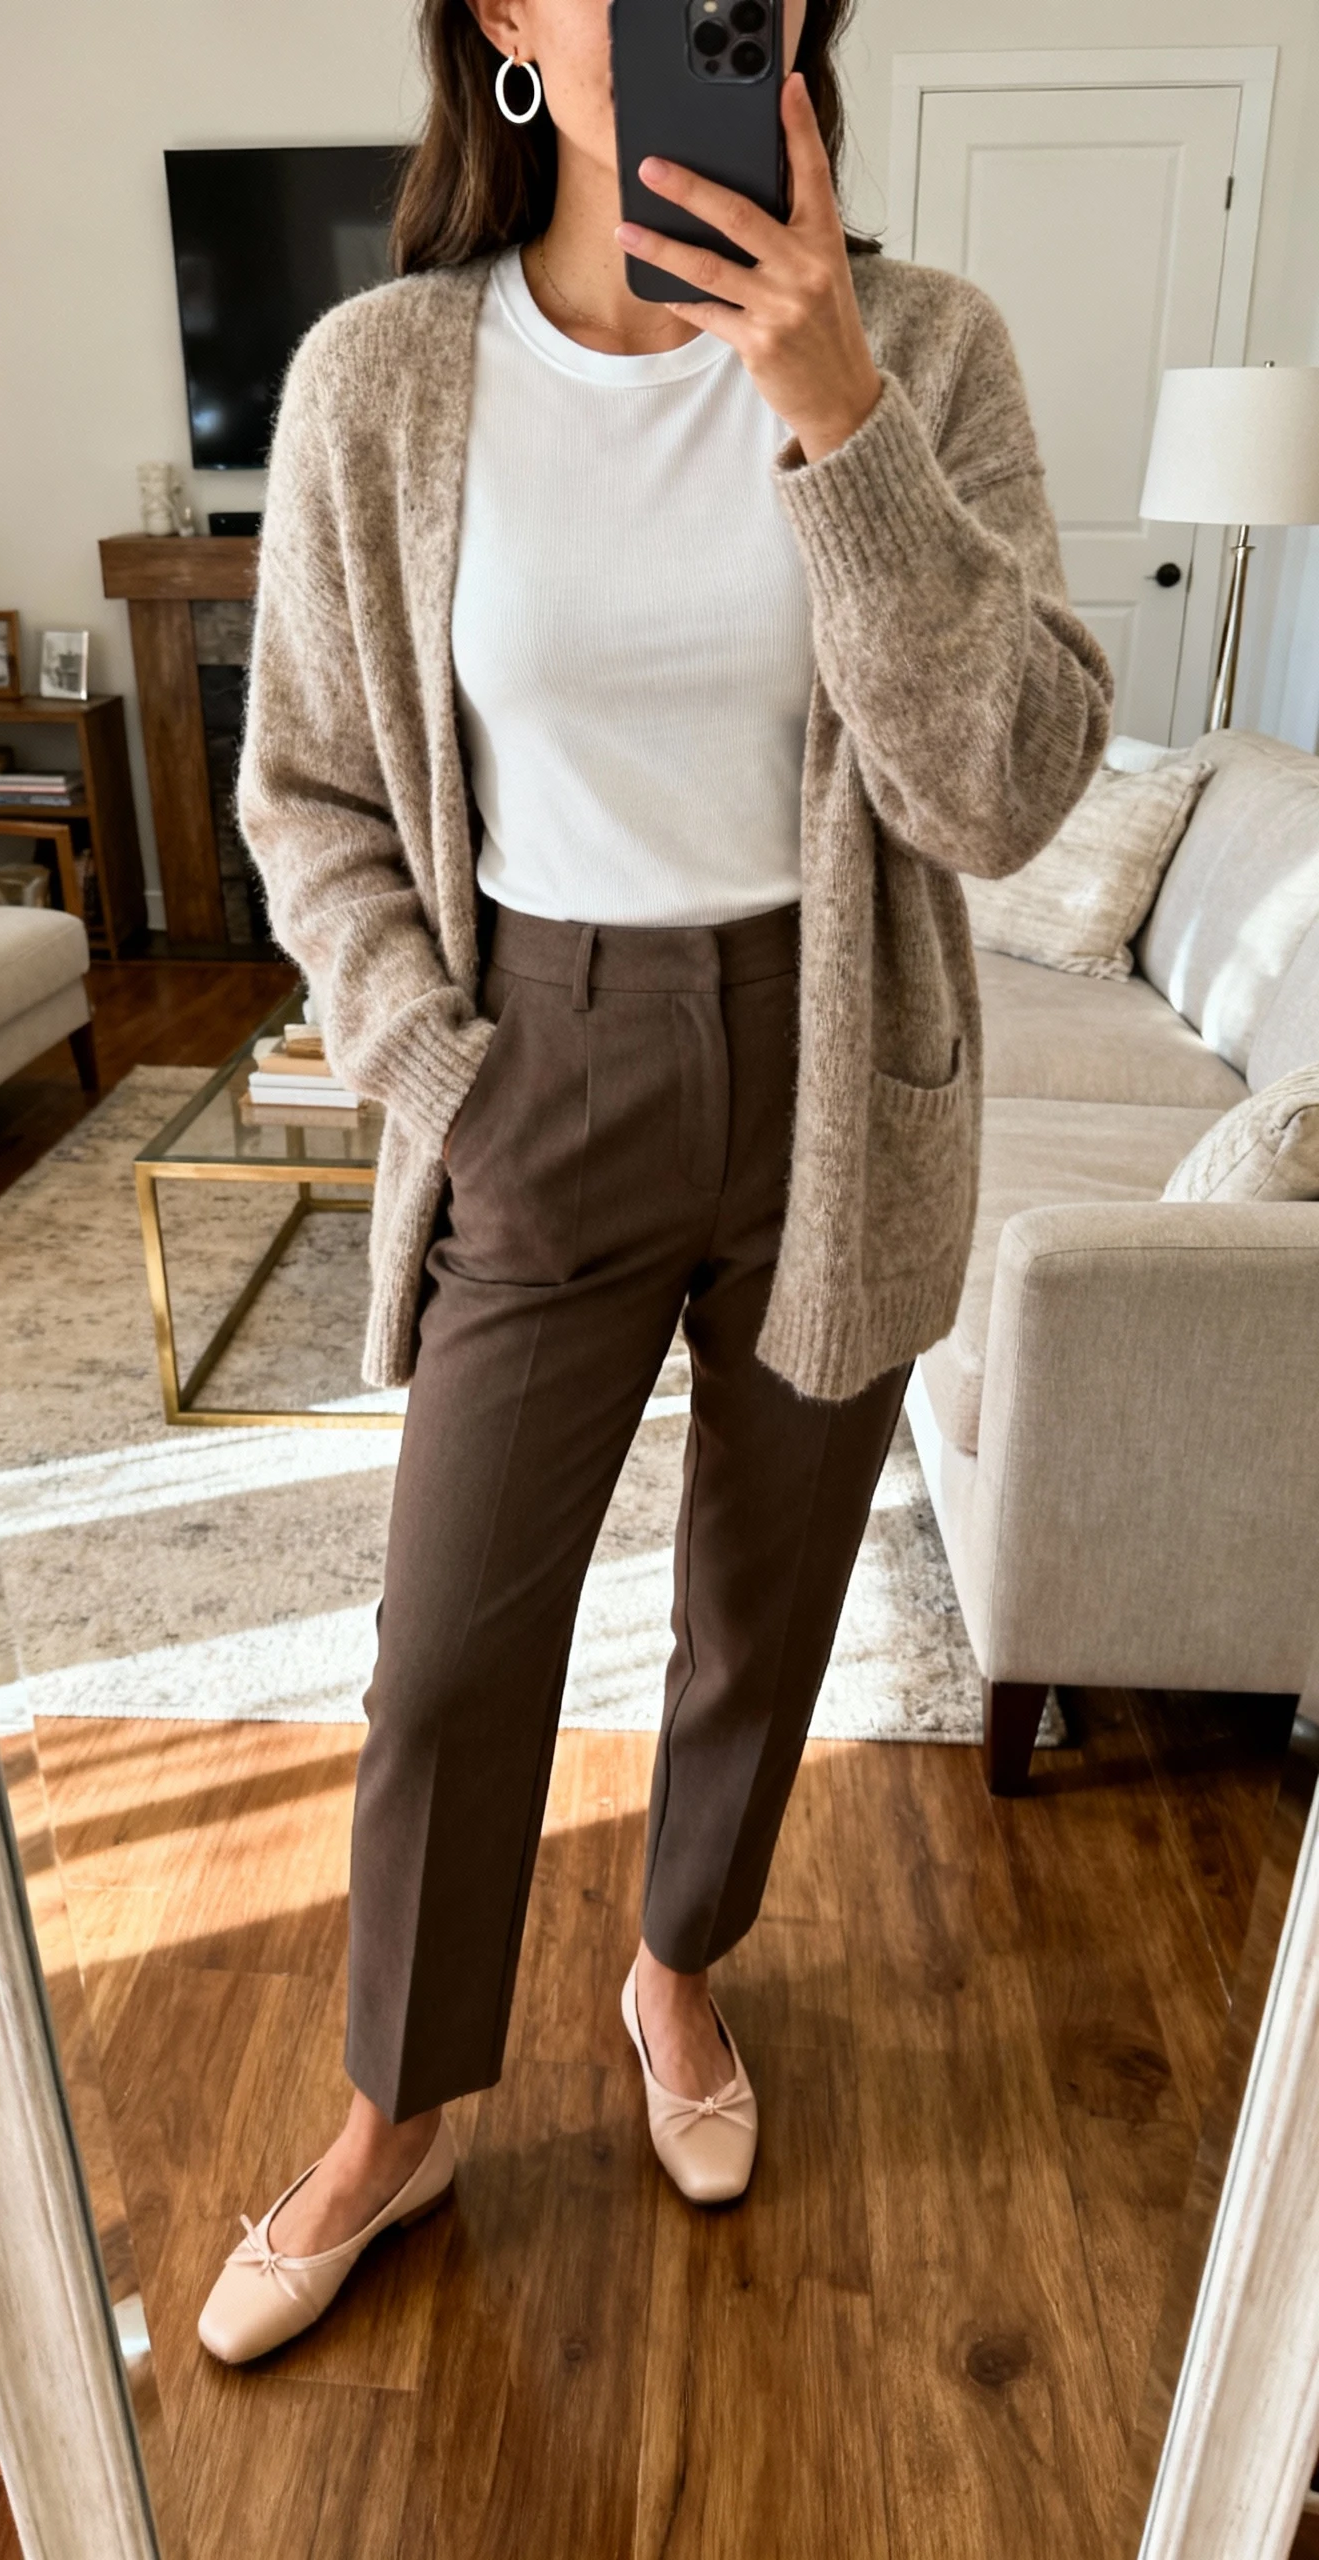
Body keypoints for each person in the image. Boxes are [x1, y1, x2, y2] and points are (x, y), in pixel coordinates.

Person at [197, 0, 1112, 2363]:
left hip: (841, 1069)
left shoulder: (922, 346)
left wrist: (830, 411)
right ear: (505, 21)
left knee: (765, 1602)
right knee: (451, 1652)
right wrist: (443, 1072)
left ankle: (676, 1969)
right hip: (542, 1067)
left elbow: (1005, 790)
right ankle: (396, 2105)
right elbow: (302, 792)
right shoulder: (380, 381)